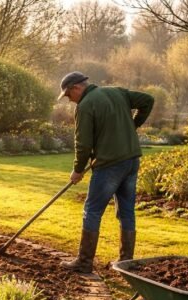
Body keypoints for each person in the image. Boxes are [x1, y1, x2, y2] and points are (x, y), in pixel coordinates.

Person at [58, 72, 154, 273]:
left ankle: (84, 262)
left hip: (109, 165)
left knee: (92, 210)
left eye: (68, 95)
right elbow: (148, 100)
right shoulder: (116, 92)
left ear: (76, 87)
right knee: (126, 211)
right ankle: (126, 262)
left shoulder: (85, 105)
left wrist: (77, 170)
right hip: (131, 161)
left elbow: (83, 144)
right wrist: (132, 125)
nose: (69, 100)